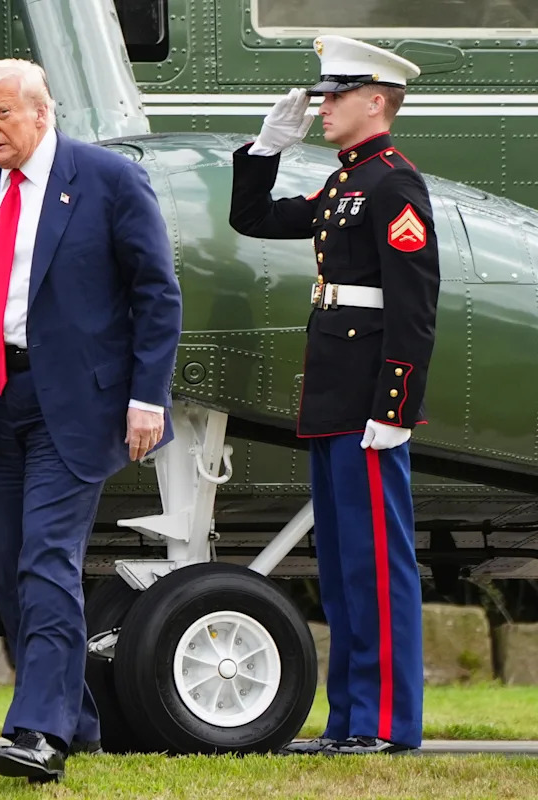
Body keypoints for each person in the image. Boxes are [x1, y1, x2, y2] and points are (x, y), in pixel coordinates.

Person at [0, 58, 182, 782]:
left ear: (42, 113)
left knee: (46, 559)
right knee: (13, 573)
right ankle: (80, 721)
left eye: (0, 114)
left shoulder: (108, 179)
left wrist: (147, 397)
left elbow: (156, 293)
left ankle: (39, 732)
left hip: (75, 405)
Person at [229, 35, 439, 756]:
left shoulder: (393, 184)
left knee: (377, 566)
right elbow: (254, 219)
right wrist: (265, 150)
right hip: (333, 395)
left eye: (336, 96)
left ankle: (385, 725)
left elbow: (413, 307)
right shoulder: (348, 182)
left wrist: (395, 407)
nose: (322, 107)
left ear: (376, 101)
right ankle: (351, 720)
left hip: (368, 403)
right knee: (347, 568)